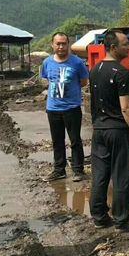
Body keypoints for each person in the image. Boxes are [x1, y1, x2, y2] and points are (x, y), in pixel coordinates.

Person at [89, 30, 129, 231]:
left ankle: (99, 217)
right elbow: (126, 107)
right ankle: (122, 220)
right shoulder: (121, 73)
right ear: (113, 47)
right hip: (118, 131)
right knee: (122, 175)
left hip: (99, 130)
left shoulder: (95, 70)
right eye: (125, 44)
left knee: (100, 174)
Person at [41, 32, 89, 182]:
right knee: (57, 141)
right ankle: (59, 170)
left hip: (72, 108)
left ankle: (78, 170)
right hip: (53, 109)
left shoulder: (77, 63)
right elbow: (45, 79)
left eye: (64, 43)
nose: (61, 46)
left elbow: (84, 82)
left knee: (75, 140)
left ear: (68, 44)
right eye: (58, 43)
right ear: (52, 45)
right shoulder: (47, 62)